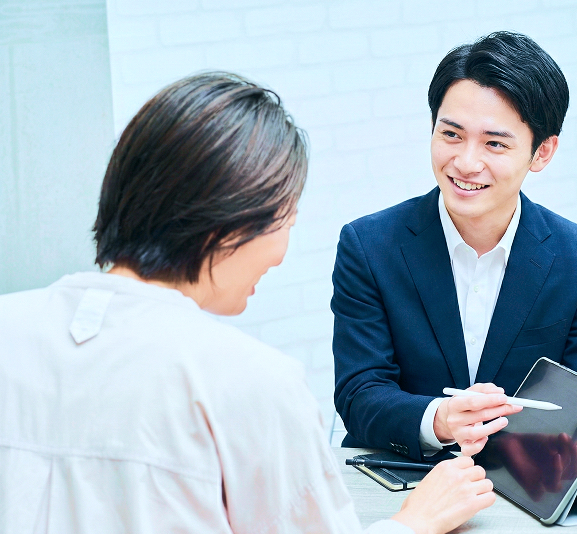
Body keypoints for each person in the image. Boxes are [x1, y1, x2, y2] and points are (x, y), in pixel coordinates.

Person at [0, 73, 495, 534]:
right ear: (232, 223)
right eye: (287, 221)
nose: (280, 255)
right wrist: (414, 522)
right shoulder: (249, 383)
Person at [332, 32, 577, 462]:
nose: (466, 163)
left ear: (542, 152)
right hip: (403, 480)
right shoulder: (369, 246)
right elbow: (358, 395)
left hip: (523, 485)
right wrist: (440, 420)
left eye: (495, 143)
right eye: (451, 134)